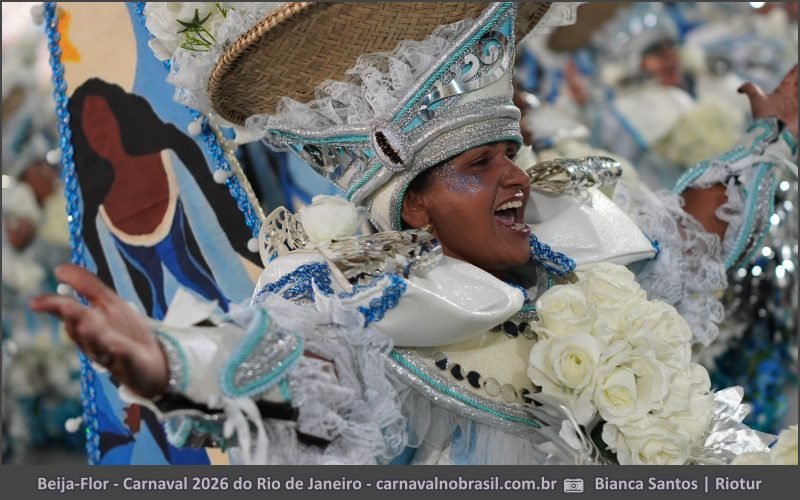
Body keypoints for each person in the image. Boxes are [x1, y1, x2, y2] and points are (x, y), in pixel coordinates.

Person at [32, 2, 797, 465]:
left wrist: (771, 143)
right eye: (477, 165)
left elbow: (687, 237)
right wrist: (168, 361)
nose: (516, 178)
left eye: (511, 155)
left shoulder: (574, 249)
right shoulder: (379, 321)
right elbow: (286, 361)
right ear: (416, 207)